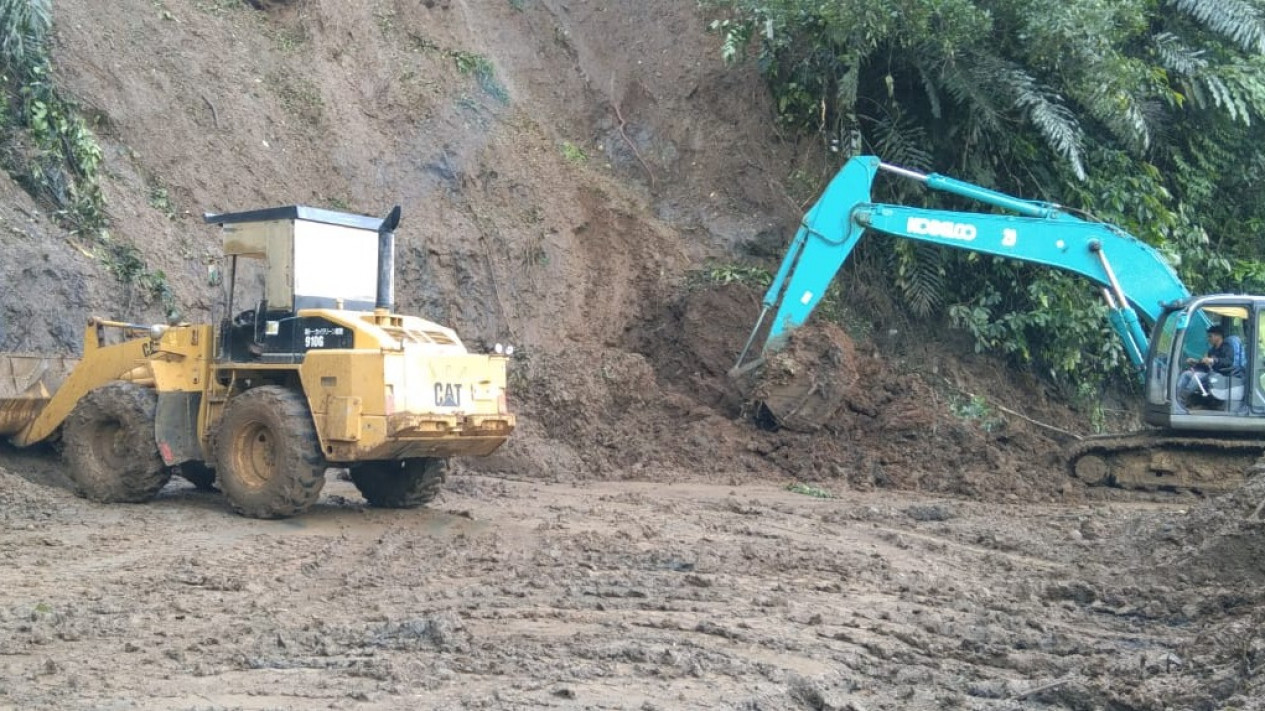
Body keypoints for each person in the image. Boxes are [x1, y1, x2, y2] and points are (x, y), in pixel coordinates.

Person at [1176, 324, 1242, 412]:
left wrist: (1214, 360)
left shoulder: (1227, 347)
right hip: (1210, 373)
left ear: (1218, 336)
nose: (1209, 339)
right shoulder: (1212, 350)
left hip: (1221, 375)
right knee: (1186, 374)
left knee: (1197, 377)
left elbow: (1228, 362)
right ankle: (1175, 395)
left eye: (1210, 336)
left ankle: (1182, 400)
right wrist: (1196, 362)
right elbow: (1206, 365)